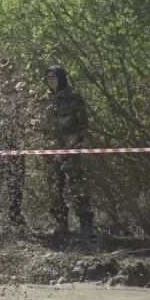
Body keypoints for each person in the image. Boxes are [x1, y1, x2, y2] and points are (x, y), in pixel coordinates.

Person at [0, 66, 30, 239]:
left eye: (5, 72)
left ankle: (15, 221)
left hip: (15, 144)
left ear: (11, 74)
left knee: (16, 185)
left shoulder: (19, 92)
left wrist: (22, 135)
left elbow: (26, 117)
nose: (1, 75)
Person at [43, 64, 92, 239]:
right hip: (51, 152)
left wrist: (78, 145)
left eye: (54, 77)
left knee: (78, 186)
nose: (50, 80)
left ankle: (86, 224)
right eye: (48, 77)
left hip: (72, 150)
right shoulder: (43, 101)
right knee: (55, 188)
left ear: (61, 78)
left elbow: (83, 125)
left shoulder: (74, 99)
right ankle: (60, 223)